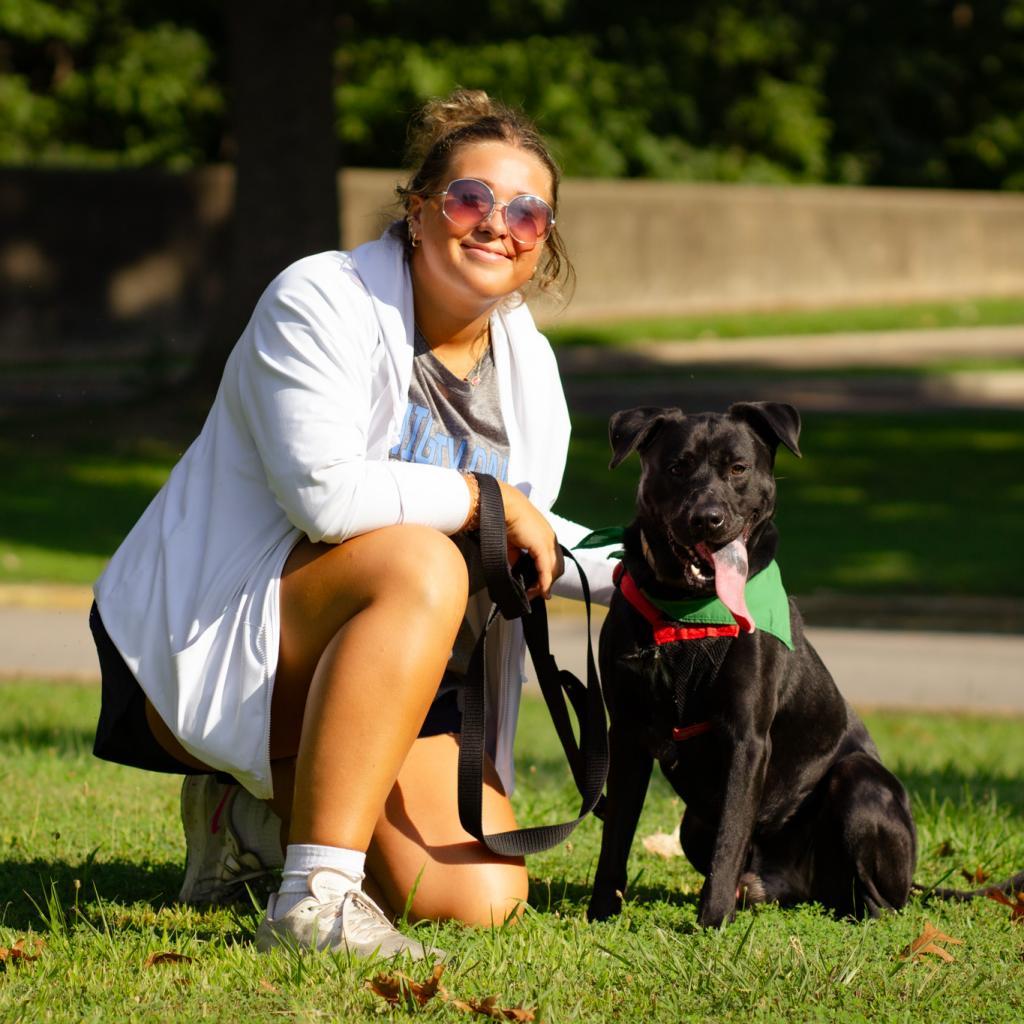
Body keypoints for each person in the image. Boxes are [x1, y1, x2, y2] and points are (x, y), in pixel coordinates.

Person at [89, 89, 616, 959]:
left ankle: (248, 818)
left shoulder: (530, 364)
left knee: (477, 895)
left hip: (385, 661)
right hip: (227, 625)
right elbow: (325, 498)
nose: (495, 225)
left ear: (542, 245)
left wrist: (659, 577)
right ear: (416, 212)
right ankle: (316, 901)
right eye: (469, 199)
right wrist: (490, 498)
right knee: (423, 565)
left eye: (526, 213)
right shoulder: (318, 298)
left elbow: (524, 534)